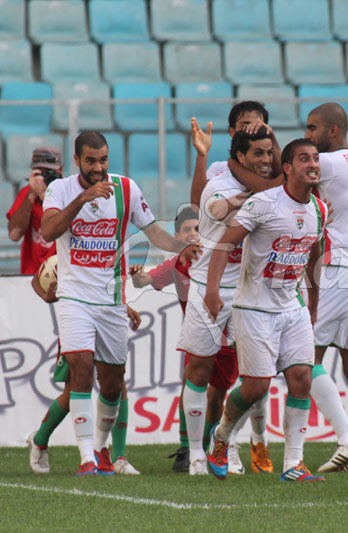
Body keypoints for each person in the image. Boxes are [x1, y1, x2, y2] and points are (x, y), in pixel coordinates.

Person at [40, 131, 200, 476]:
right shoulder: (60, 190)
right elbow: (50, 230)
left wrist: (178, 246)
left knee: (113, 382)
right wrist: (82, 200)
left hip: (111, 299)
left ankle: (101, 450)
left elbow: (152, 230)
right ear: (77, 160)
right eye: (91, 161)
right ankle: (86, 458)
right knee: (81, 369)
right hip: (73, 298)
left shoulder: (126, 188)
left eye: (104, 160)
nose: (99, 168)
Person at [203, 138, 331, 482]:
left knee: (302, 379)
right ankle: (221, 436)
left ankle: (294, 464)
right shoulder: (263, 204)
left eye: (316, 158)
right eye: (304, 159)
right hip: (254, 308)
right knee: (256, 388)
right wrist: (212, 291)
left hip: (293, 306)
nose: (313, 164)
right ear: (287, 168)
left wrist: (314, 299)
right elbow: (225, 242)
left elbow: (313, 253)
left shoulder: (319, 209)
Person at [177, 127, 282, 476]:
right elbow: (216, 207)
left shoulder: (276, 188)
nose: (266, 160)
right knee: (199, 370)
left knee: (257, 377)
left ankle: (228, 442)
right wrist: (246, 195)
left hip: (249, 292)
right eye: (258, 154)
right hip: (210, 286)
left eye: (270, 152)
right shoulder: (220, 184)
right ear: (239, 158)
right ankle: (194, 453)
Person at [28, 244, 142, 475]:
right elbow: (36, 279)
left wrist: (124, 306)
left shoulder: (108, 235)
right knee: (75, 389)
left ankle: (117, 455)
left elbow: (101, 283)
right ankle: (39, 439)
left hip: (108, 314)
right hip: (78, 320)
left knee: (117, 382)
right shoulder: (68, 235)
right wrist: (48, 296)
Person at [304, 103, 348, 472]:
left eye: (312, 128)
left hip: (339, 264)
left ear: (333, 130)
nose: (307, 136)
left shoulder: (327, 163)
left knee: (305, 356)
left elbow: (287, 180)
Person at [129, 206, 201, 473]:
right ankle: (188, 447)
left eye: (198, 228)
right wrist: (137, 276)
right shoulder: (176, 264)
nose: (193, 235)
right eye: (187, 230)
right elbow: (142, 281)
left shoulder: (219, 257)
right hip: (198, 334)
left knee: (250, 388)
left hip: (233, 332)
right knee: (191, 386)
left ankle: (244, 442)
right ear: (177, 236)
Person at [6, 146, 61, 274]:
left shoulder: (68, 193)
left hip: (60, 274)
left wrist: (45, 197)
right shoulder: (26, 194)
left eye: (49, 172)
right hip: (31, 275)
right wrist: (32, 194)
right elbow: (14, 235)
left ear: (60, 171)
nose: (45, 178)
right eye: (40, 173)